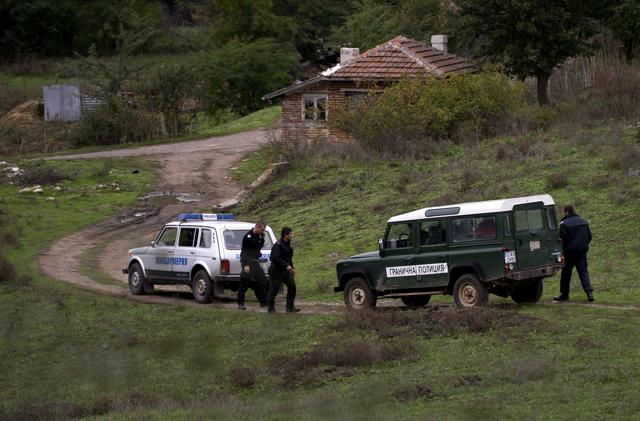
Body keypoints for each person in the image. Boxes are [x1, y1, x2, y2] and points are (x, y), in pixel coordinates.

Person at [554, 205, 594, 302]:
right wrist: (583, 246)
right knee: (583, 273)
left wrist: (563, 250)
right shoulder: (583, 222)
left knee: (566, 274)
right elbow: (589, 236)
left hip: (569, 253)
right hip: (581, 252)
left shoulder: (564, 224)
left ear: (567, 212)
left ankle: (564, 294)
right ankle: (589, 293)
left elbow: (562, 239)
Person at [237, 220, 269, 310]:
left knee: (263, 281)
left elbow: (258, 247)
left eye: (264, 230)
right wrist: (245, 265)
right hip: (248, 263)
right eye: (262, 230)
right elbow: (244, 252)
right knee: (244, 284)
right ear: (257, 227)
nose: (263, 232)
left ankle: (263, 302)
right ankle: (240, 303)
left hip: (256, 263)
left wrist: (262, 238)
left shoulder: (259, 236)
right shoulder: (248, 237)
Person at [267, 227, 300, 313]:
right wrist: (286, 266)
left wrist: (292, 268)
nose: (293, 235)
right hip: (276, 270)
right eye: (291, 234)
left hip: (285, 271)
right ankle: (270, 308)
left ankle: (290, 307)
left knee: (292, 286)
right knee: (274, 289)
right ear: (286, 235)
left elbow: (288, 258)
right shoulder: (277, 245)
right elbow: (275, 258)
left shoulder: (288, 244)